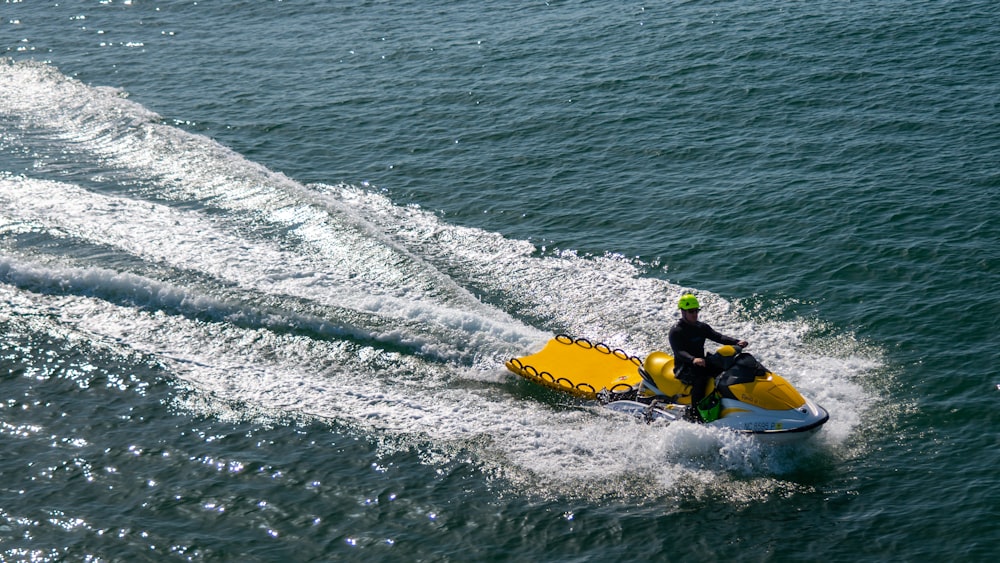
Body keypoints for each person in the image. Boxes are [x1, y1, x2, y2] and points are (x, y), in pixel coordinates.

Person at [668, 293, 748, 422]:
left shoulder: (701, 327)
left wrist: (736, 342)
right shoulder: (676, 331)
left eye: (696, 310)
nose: (695, 314)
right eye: (691, 311)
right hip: (684, 367)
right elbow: (679, 352)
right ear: (683, 312)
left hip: (702, 363)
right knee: (701, 380)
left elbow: (719, 337)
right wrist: (693, 359)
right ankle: (695, 415)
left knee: (726, 370)